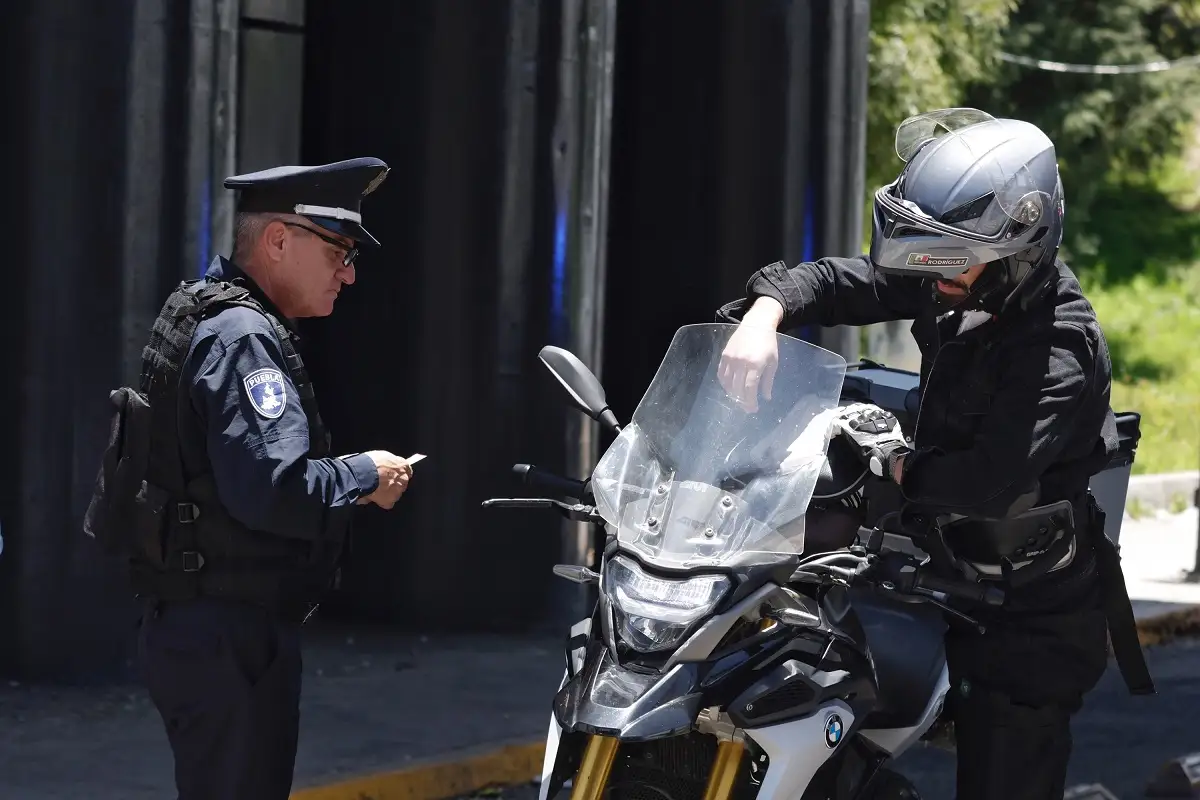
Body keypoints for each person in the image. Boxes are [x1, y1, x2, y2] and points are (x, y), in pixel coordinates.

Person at [715, 109, 1154, 799]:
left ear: (1020, 252)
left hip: (1025, 605)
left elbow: (981, 482)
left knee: (1003, 770)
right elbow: (839, 281)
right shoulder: (957, 274)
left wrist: (885, 461)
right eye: (931, 257)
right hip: (927, 571)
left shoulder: (1059, 351)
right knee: (805, 709)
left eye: (953, 263)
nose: (934, 277)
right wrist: (766, 314)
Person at [85, 157, 414, 800]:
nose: (349, 273)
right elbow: (274, 488)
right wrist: (364, 475)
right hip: (226, 637)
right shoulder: (243, 338)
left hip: (205, 628)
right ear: (279, 239)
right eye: (340, 250)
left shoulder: (213, 315)